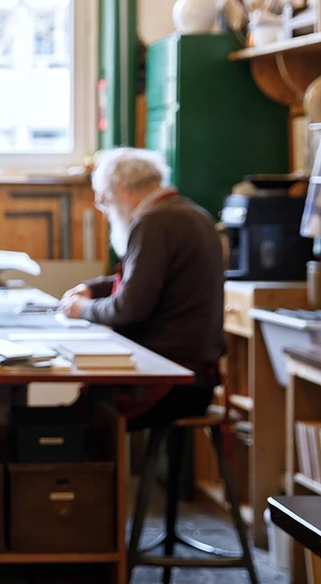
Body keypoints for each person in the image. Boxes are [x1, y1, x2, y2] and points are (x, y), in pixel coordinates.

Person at [58, 147, 225, 430]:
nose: (107, 214)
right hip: (196, 379)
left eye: (104, 202)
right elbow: (151, 279)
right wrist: (91, 289)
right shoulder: (191, 213)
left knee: (66, 426)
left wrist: (81, 309)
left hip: (169, 382)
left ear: (121, 190)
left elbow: (129, 308)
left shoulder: (153, 222)